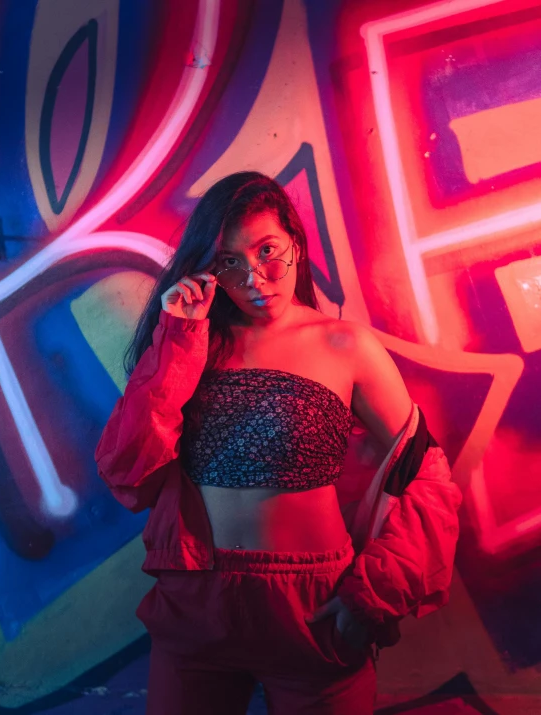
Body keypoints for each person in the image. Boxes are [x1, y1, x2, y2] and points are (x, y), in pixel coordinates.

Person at [95, 172, 462, 715]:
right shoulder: (190, 342)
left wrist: (374, 593)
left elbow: (426, 473)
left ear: (294, 240)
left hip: (313, 610)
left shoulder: (346, 345)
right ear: (209, 271)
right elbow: (131, 473)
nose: (256, 278)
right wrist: (177, 340)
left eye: (268, 251)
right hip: (196, 604)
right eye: (229, 263)